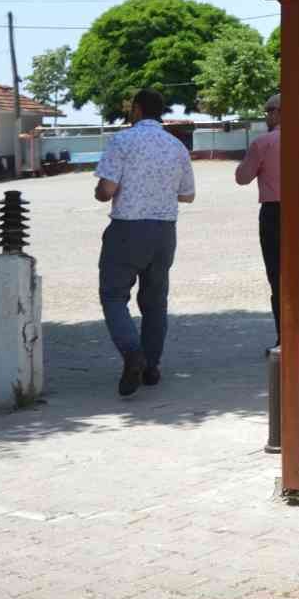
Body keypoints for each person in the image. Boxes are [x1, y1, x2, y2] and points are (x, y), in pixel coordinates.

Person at [95, 89, 195, 397]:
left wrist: (100, 191)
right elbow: (188, 194)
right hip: (164, 232)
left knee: (113, 295)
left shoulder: (122, 141)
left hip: (127, 228)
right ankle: (151, 366)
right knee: (155, 302)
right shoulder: (176, 146)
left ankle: (132, 353)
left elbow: (107, 189)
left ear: (137, 110)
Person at [234, 92, 299, 349]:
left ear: (284, 112)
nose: (267, 115)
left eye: (271, 110)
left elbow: (242, 177)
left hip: (274, 214)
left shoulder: (263, 143)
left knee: (277, 276)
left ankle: (286, 338)